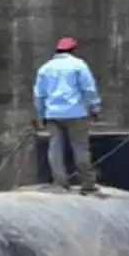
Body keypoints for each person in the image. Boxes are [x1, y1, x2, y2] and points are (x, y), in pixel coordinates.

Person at [34, 36, 101, 192]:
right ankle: (87, 183)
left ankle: (60, 182)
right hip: (76, 112)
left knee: (55, 147)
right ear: (73, 50)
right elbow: (88, 89)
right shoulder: (79, 65)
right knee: (80, 147)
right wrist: (94, 108)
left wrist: (40, 113)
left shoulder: (45, 68)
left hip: (52, 113)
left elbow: (39, 94)